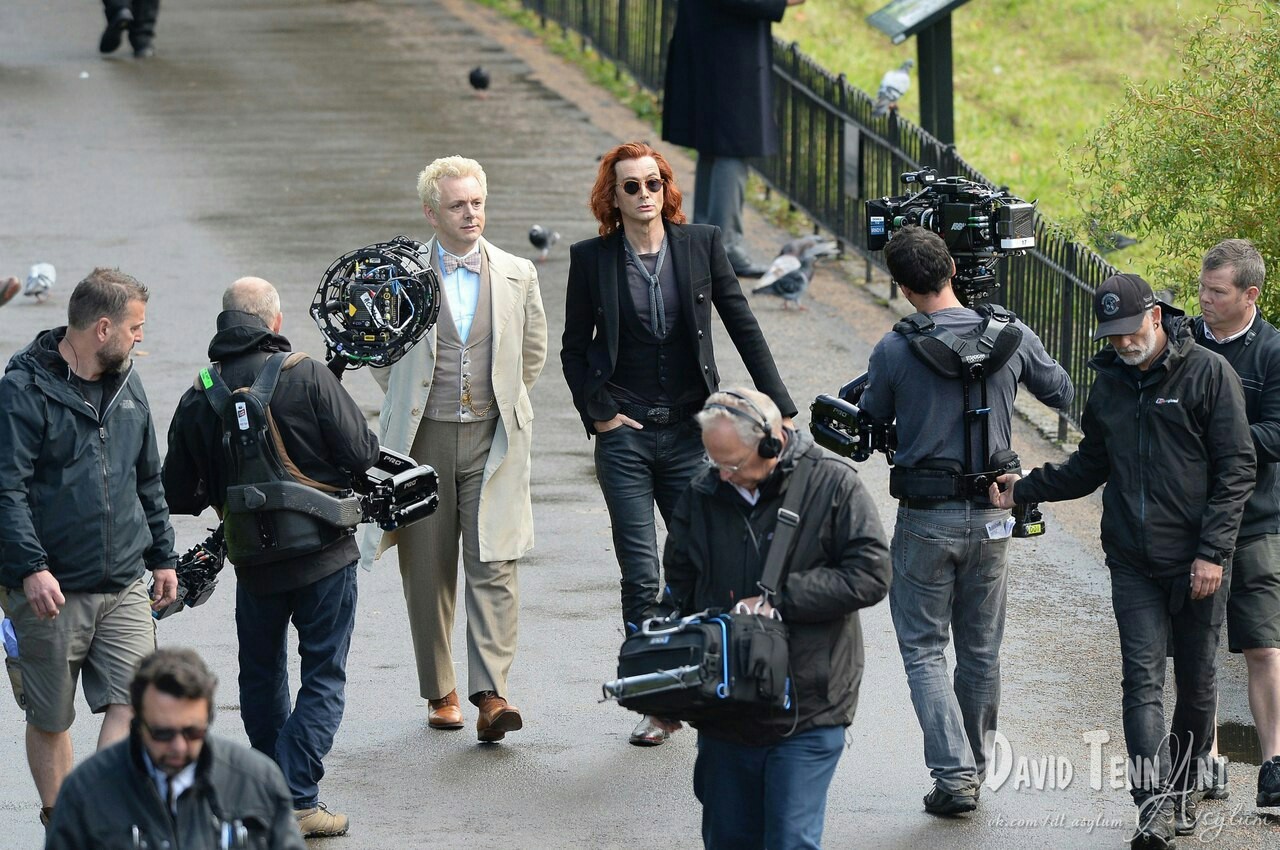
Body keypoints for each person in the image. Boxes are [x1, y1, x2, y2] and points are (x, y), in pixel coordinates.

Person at [991, 272, 1255, 847]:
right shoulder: (1109, 384)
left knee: (1197, 684)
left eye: (1130, 331)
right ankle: (1153, 803)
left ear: (1156, 318)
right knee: (1140, 680)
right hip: (1132, 561)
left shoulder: (1209, 374)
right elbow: (1090, 465)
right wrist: (1025, 488)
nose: (1122, 344)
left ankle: (1182, 789)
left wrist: (1213, 553)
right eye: (1111, 336)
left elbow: (1237, 470)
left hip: (1197, 563)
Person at [560, 141, 795, 746]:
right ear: (612, 198)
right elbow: (574, 348)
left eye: (653, 183)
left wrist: (780, 409)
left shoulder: (700, 246)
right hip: (628, 440)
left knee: (708, 561)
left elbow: (742, 322)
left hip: (694, 436)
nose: (644, 195)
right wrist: (602, 413)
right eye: (630, 187)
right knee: (640, 573)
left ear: (667, 189)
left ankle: (726, 685)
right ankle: (657, 700)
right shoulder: (593, 259)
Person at [858, 225, 1074, 816]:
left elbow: (870, 418)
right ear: (953, 268)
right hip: (995, 515)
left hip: (926, 518)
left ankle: (953, 777)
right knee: (981, 650)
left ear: (903, 288)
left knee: (924, 648)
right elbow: (1061, 391)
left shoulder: (895, 348)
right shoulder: (1010, 335)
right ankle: (973, 768)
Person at [163, 277, 380, 837]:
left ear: (224, 323)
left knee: (260, 675)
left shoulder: (198, 395)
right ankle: (299, 799)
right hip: (325, 555)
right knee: (323, 674)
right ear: (274, 323)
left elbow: (179, 493)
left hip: (252, 564)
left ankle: (270, 794)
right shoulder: (306, 374)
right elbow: (362, 454)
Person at [361, 156, 547, 743]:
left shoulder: (518, 273)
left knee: (495, 561)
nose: (470, 214)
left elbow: (531, 355)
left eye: (477, 203)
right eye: (457, 205)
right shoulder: (400, 275)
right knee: (427, 568)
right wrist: (416, 405)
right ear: (430, 212)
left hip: (494, 436)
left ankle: (492, 694)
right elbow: (380, 357)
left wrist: (497, 403)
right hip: (423, 438)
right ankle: (440, 689)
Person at [661, 389, 891, 849]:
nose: (724, 475)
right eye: (715, 463)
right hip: (725, 707)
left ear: (772, 444)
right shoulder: (703, 491)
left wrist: (781, 600)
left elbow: (871, 574)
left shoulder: (834, 486)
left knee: (789, 840)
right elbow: (679, 588)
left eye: (734, 464)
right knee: (728, 839)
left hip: (809, 704)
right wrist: (664, 665)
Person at [0, 268, 177, 830]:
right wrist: (31, 568)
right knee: (51, 717)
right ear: (103, 328)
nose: (141, 337)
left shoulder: (128, 383)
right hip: (49, 588)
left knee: (139, 699)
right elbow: (6, 488)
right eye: (135, 327)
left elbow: (147, 475)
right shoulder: (22, 391)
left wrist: (164, 556)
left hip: (123, 580)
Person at [45, 648, 307, 849]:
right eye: (162, 733)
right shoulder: (86, 792)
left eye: (193, 732)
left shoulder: (257, 783)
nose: (178, 746)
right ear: (137, 723)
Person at [1193, 239, 1280, 807]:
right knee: (1195, 644)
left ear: (1249, 295)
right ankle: (1208, 757)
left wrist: (1221, 439)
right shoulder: (1183, 342)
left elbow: (1277, 435)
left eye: (1216, 292)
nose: (1203, 300)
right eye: (1201, 287)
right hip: (1190, 521)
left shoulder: (1274, 351)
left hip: (1256, 521)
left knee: (1264, 646)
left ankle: (1276, 765)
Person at [662, 0, 805, 278]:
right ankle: (723, 247)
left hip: (712, 42)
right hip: (727, 51)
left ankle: (705, 243)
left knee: (714, 149)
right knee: (731, 149)